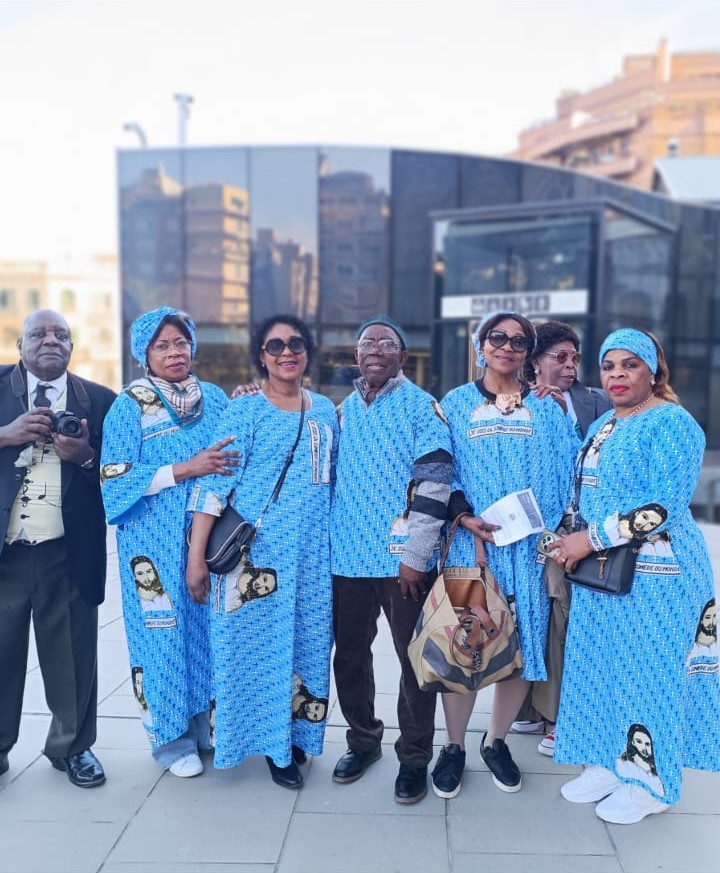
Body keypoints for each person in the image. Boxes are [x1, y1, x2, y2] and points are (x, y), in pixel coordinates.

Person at [551, 328, 720, 824]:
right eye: (609, 366)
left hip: (659, 574)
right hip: (602, 572)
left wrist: (590, 540)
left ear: (653, 371)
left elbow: (663, 505)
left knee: (649, 675)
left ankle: (651, 785)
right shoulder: (604, 422)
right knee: (600, 668)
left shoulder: (672, 422)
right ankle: (608, 762)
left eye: (630, 364)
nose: (617, 375)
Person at [330, 315, 487, 804]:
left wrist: (417, 555)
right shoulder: (342, 411)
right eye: (367, 342)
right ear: (356, 355)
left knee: (414, 662)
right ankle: (363, 741)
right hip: (346, 558)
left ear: (402, 355)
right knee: (349, 657)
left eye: (387, 343)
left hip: (403, 562)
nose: (376, 349)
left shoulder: (422, 408)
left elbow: (436, 482)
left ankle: (414, 758)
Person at [186, 315, 338, 791]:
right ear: (262, 356)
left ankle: (295, 738)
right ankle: (270, 748)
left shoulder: (325, 410)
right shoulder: (245, 410)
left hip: (312, 561)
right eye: (275, 346)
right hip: (254, 559)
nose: (286, 352)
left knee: (308, 648)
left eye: (295, 344)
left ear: (308, 352)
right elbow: (215, 486)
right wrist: (195, 558)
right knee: (253, 654)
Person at [431, 311, 576, 799]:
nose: (507, 347)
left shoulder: (546, 407)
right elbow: (442, 470)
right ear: (480, 345)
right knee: (465, 644)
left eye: (518, 341)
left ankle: (495, 742)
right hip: (471, 546)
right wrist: (463, 517)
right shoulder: (454, 403)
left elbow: (567, 471)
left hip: (528, 550)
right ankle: (453, 747)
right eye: (497, 337)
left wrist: (546, 535)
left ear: (528, 353)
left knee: (522, 646)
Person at [101, 306, 238, 778]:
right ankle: (171, 741)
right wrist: (185, 469)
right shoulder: (129, 405)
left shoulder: (215, 398)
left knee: (207, 634)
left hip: (209, 538)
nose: (174, 352)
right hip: (152, 547)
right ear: (144, 354)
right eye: (162, 345)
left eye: (181, 342)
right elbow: (113, 476)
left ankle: (206, 728)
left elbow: (235, 454)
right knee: (162, 637)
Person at [0, 309, 116, 787]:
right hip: (5, 553)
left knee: (71, 655)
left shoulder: (101, 401)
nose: (50, 340)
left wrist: (86, 457)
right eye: (39, 333)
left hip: (67, 552)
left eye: (61, 334)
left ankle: (72, 748)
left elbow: (123, 473)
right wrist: (6, 435)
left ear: (72, 346)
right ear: (20, 344)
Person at [514, 320, 612, 754]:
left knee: (565, 617)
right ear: (535, 361)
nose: (571, 365)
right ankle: (532, 706)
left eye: (575, 358)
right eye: (560, 357)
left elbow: (594, 460)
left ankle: (562, 714)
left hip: (583, 530)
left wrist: (564, 420)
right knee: (533, 616)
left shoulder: (597, 401)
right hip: (534, 528)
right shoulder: (518, 402)